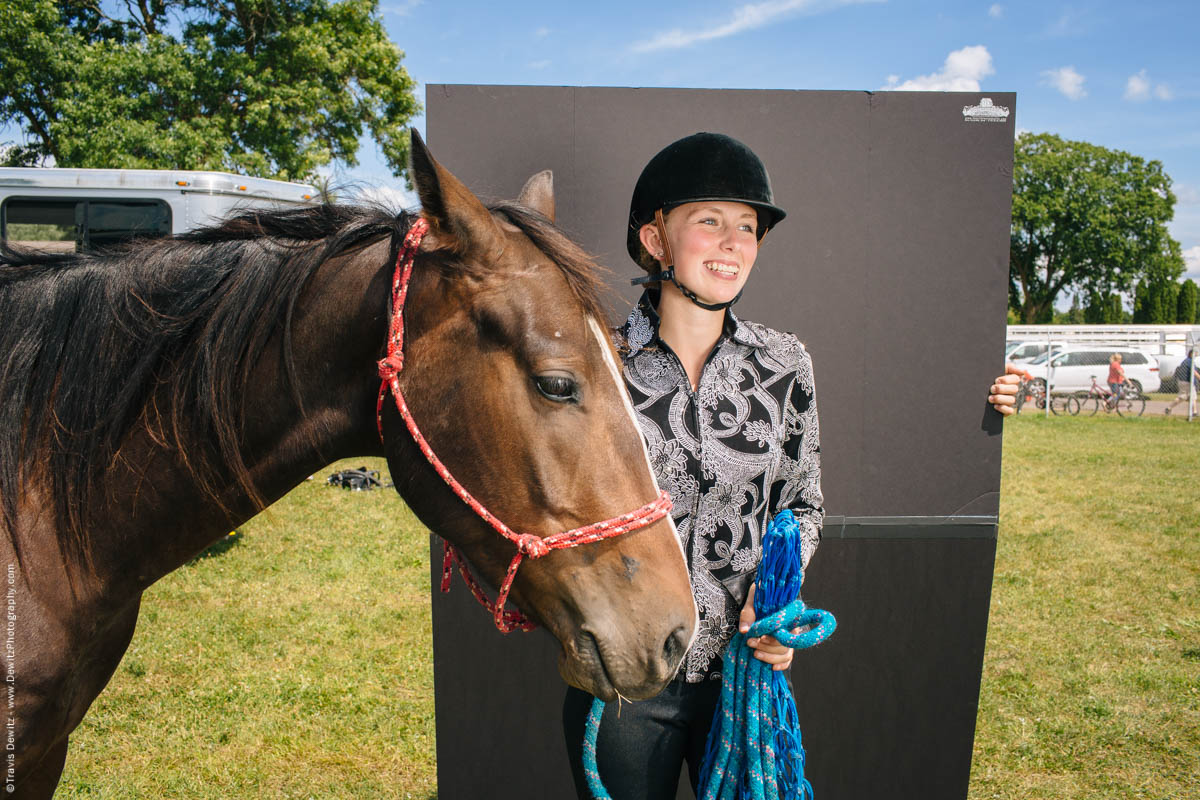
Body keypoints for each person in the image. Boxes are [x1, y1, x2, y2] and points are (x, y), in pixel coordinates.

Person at [560, 132, 1020, 800]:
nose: (732, 243)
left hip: (744, 676)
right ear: (655, 238)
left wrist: (773, 602)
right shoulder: (596, 362)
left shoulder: (784, 364)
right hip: (627, 683)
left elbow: (802, 505)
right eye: (710, 221)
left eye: (747, 228)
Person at [1165, 349, 1199, 415]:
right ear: (1191, 354)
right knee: (1193, 396)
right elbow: (1194, 372)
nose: (1196, 355)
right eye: (1195, 354)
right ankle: (1194, 412)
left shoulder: (1185, 361)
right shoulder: (1190, 361)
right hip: (1188, 382)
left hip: (1181, 381)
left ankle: (1169, 408)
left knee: (1182, 397)